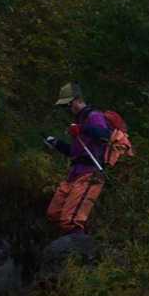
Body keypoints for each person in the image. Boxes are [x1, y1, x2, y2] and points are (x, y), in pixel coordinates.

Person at [44, 82, 112, 235]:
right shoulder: (78, 123)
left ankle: (79, 246)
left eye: (68, 104)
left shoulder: (94, 116)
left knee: (71, 220)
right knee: (54, 213)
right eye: (64, 106)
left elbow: (105, 135)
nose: (68, 108)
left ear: (77, 100)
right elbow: (75, 153)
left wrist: (82, 129)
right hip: (74, 174)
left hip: (90, 174)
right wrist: (57, 143)